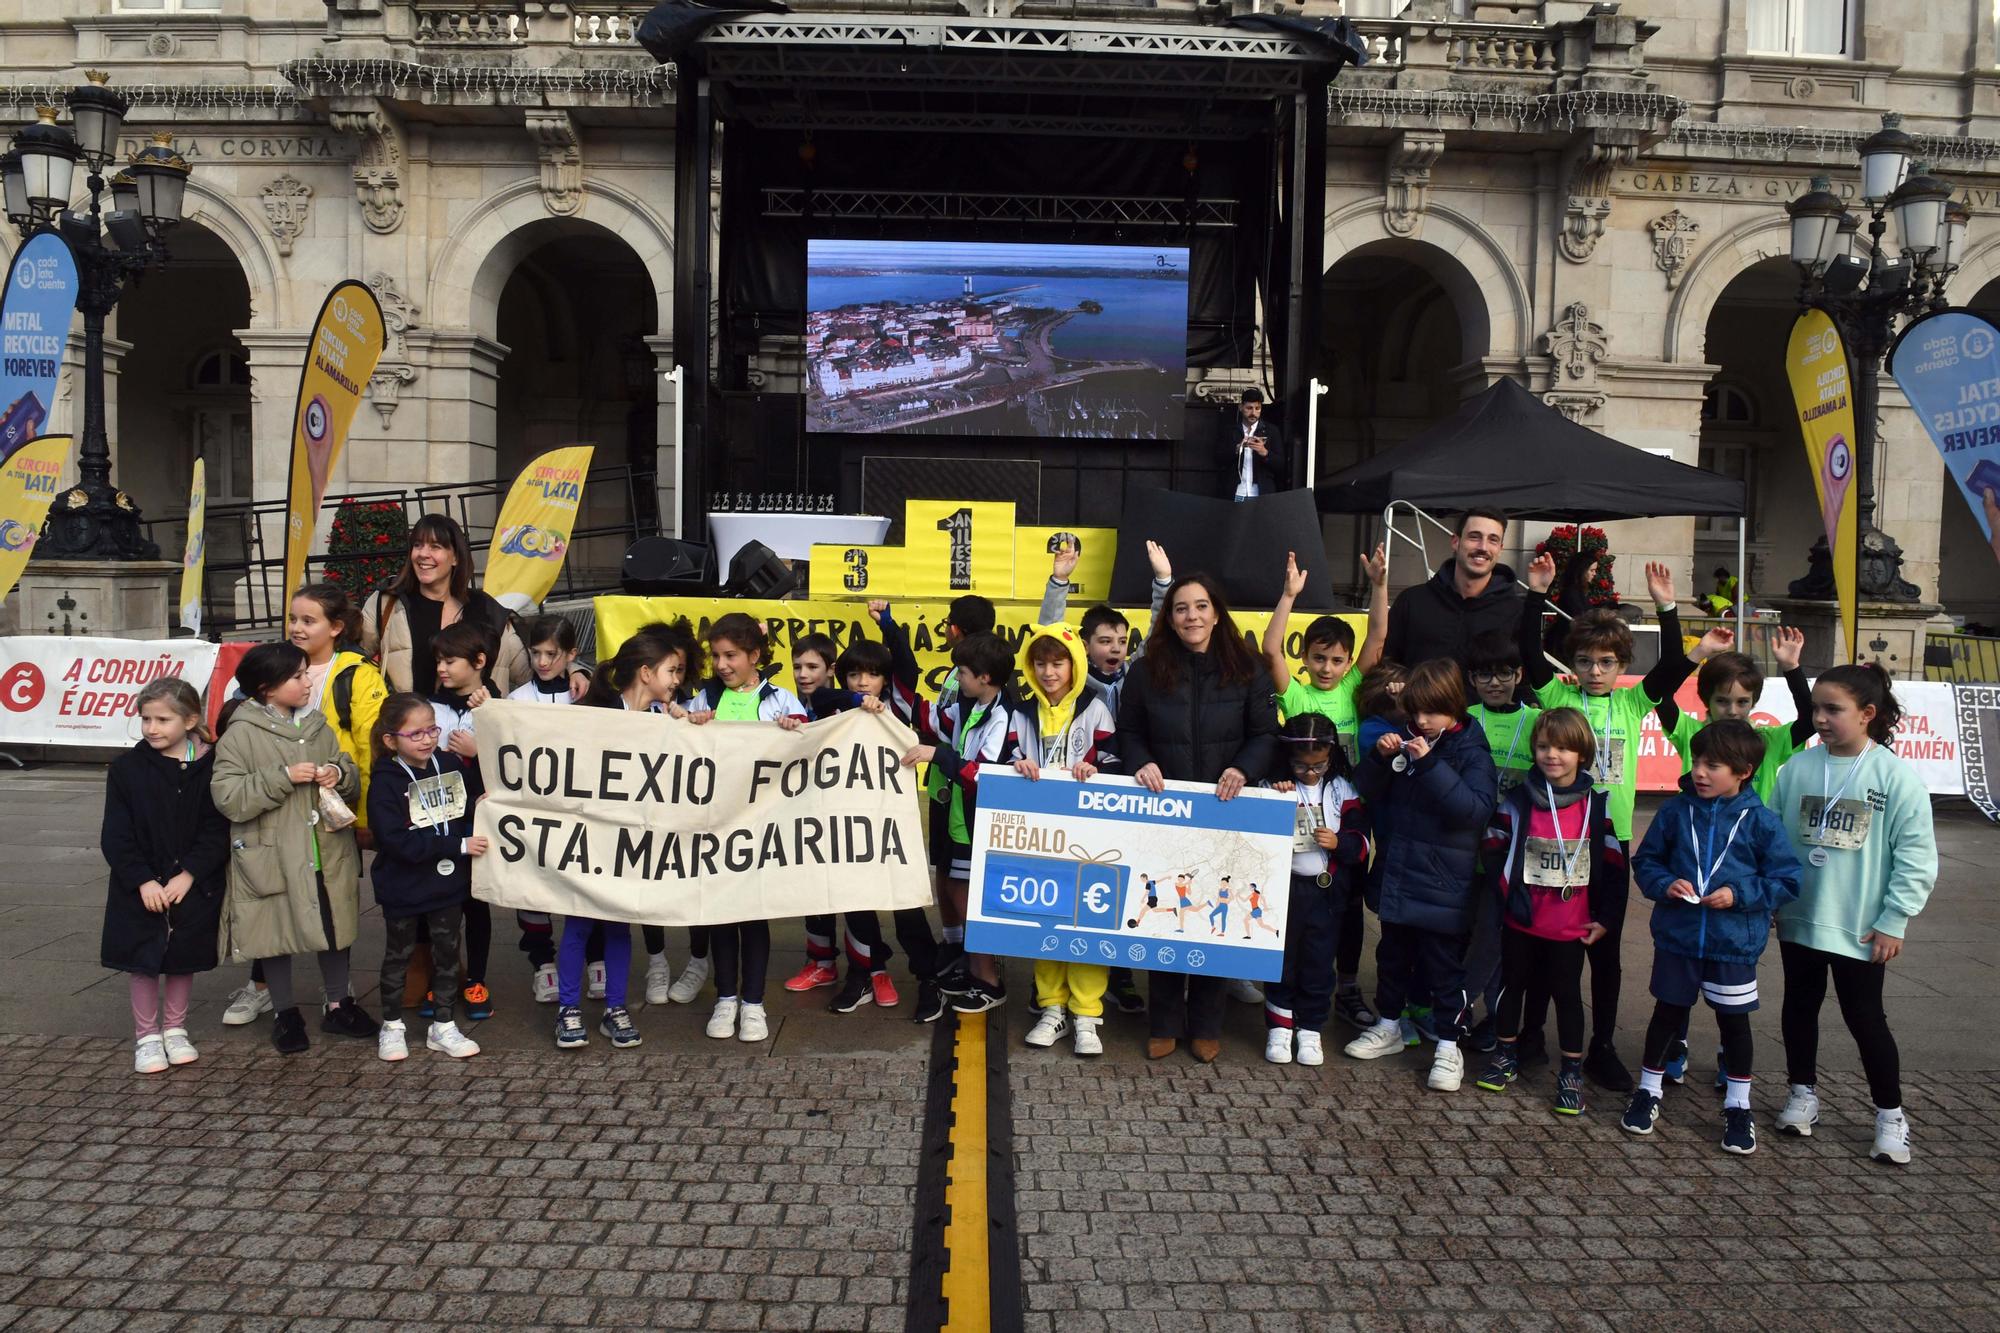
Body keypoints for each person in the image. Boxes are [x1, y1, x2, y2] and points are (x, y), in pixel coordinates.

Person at [1515, 558, 1730, 1091]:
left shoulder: (1635, 703)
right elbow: (1525, 652)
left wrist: (1667, 606)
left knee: (1604, 955)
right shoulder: (1559, 696)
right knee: (1545, 947)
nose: (1593, 670)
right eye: (1584, 660)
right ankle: (1531, 1037)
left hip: (1609, 844)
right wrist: (1536, 593)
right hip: (1554, 837)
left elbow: (1673, 669)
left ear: (1621, 666)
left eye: (1605, 662)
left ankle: (1602, 1047)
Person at [1772, 664, 1939, 1165]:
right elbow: (1777, 841)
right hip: (1800, 919)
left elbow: (1916, 857)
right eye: (1815, 708)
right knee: (1799, 1007)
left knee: (1865, 1018)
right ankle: (1803, 1093)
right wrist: (1772, 900)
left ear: (1867, 715)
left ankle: (1890, 1116)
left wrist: (1895, 918)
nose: (1819, 718)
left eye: (1832, 709)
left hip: (1862, 927)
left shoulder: (1894, 777)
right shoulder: (1797, 770)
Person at [1117, 572, 1279, 1063]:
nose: (1192, 616)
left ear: (1216, 612)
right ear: (1170, 616)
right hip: (1165, 811)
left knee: (1215, 915)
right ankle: (1164, 1022)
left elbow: (1266, 734)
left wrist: (1242, 768)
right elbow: (1129, 731)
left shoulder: (1248, 668)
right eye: (1181, 608)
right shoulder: (1146, 671)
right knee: (1168, 911)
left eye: (1201, 606)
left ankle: (1207, 1024)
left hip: (1226, 809)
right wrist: (1139, 760)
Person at [1626, 720, 1801, 1154]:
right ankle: (1648, 1090)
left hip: (1732, 944)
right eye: (1697, 762)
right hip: (1678, 939)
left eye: (1713, 765)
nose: (1700, 772)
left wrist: (1739, 894)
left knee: (1734, 1024)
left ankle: (1739, 1105)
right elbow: (1646, 861)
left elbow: (1786, 879)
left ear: (1744, 771)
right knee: (1666, 1015)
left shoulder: (1761, 821)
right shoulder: (1674, 811)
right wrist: (1664, 882)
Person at [220, 584, 389, 1027]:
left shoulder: (325, 711)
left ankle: (338, 1002)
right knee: (274, 924)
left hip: (325, 838)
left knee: (333, 919)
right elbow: (228, 794)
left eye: (307, 620)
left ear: (335, 628)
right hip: (272, 844)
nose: (297, 627)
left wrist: (342, 778)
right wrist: (283, 777)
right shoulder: (242, 728)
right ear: (268, 687)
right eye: (293, 618)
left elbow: (355, 758)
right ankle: (282, 1008)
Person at [1650, 625, 1810, 1085]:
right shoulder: (1694, 737)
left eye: (1743, 702)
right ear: (1706, 702)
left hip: (1740, 880)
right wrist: (1692, 650)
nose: (1733, 711)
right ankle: (1673, 1044)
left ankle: (1728, 1051)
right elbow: (1658, 693)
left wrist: (1792, 669)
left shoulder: (1770, 741)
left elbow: (1806, 716)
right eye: (1723, 701)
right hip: (1691, 871)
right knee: (1677, 980)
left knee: (1732, 988)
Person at [1343, 659, 1497, 1092]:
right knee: (1391, 957)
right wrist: (1379, 757)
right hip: (1398, 871)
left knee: (1443, 970)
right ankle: (1389, 1025)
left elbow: (1472, 812)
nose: (1421, 721)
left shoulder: (1471, 751)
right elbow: (1366, 788)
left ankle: (1449, 1048)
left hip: (1444, 884)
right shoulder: (1410, 737)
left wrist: (1429, 765)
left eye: (1431, 712)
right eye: (1415, 712)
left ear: (1454, 707)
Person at [1037, 537, 1174, 1012]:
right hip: (1079, 801)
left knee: (1128, 881)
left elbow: (1160, 631)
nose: (1115, 648)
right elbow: (1051, 630)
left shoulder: (1136, 674)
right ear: (1085, 644)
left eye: (1121, 641)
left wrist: (1163, 583)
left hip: (1128, 798)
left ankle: (1119, 973)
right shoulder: (1078, 684)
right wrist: (1059, 579)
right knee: (1081, 885)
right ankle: (1066, 983)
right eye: (1104, 641)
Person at [559, 621, 704, 1050]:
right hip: (590, 837)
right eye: (672, 671)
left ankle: (615, 1008)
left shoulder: (668, 720)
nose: (678, 680)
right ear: (646, 673)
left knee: (620, 925)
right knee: (579, 923)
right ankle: (568, 1010)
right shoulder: (596, 715)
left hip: (633, 843)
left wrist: (689, 727)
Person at [1474, 708, 1623, 1115]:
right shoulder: (1521, 798)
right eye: (1543, 746)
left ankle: (1571, 1070)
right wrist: (1506, 888)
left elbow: (1612, 864)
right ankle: (1505, 1056)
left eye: (1562, 747)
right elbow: (1494, 840)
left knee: (1568, 996)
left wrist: (1605, 918)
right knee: (1512, 987)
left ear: (1582, 753)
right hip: (1522, 918)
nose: (1551, 755)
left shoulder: (1595, 805)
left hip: (1570, 924)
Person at [100, 678, 230, 1074]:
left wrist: (189, 874)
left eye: (162, 719)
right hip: (140, 883)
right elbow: (116, 833)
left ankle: (174, 1028)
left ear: (190, 720)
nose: (152, 728)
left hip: (190, 883)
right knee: (142, 959)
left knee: (181, 957)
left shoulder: (212, 766)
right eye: (146, 719)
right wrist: (142, 879)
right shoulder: (127, 769)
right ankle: (147, 1036)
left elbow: (217, 829)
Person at [688, 613, 807, 1042]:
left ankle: (753, 1003)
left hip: (762, 828)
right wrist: (689, 725)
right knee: (721, 914)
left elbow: (811, 753)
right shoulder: (703, 698)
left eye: (731, 655)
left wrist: (796, 731)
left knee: (753, 915)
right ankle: (725, 999)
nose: (721, 664)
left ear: (754, 655)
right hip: (715, 824)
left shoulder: (781, 700)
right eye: (716, 656)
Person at [1010, 623, 1120, 1059]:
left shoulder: (1096, 706)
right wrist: (1018, 765)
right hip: (1040, 834)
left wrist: (1097, 769)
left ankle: (1088, 1017)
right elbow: (1006, 758)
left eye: (1058, 663)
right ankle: (1051, 1009)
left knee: (1087, 921)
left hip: (1091, 836)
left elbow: (1115, 760)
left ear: (1074, 665)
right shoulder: (1020, 710)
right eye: (1040, 663)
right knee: (1045, 919)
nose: (1049, 672)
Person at [903, 631, 1019, 1016]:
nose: (957, 676)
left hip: (978, 821)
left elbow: (981, 772)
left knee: (968, 897)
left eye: (963, 671)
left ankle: (988, 980)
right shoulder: (970, 706)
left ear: (984, 676)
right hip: (958, 818)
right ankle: (972, 967)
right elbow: (929, 717)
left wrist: (937, 756)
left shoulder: (1003, 715)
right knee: (953, 887)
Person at [366, 692, 486, 1063]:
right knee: (398, 954)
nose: (427, 739)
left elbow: (464, 812)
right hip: (403, 885)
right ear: (391, 740)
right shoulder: (385, 781)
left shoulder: (449, 764)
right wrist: (457, 846)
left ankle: (444, 1025)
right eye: (415, 734)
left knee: (448, 953)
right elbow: (395, 840)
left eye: (432, 729)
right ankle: (391, 1025)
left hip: (446, 884)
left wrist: (478, 815)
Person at [1262, 714, 1371, 1068]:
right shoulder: (1273, 786)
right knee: (1282, 961)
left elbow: (1362, 842)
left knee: (1320, 962)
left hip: (1327, 892)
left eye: (1318, 765)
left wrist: (1339, 843)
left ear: (1332, 756)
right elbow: (1253, 839)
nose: (1310, 773)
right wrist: (1274, 802)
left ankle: (1310, 1029)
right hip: (1286, 890)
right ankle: (1279, 1027)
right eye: (1301, 765)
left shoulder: (1343, 789)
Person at [361, 512, 562, 697]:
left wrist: (573, 669)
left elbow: (533, 669)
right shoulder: (387, 602)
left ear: (455, 557)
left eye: (435, 547)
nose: (423, 554)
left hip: (473, 733)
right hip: (409, 733)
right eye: (418, 545)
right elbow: (352, 659)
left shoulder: (486, 610)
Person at [505, 613, 577, 1003]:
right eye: (536, 653)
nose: (543, 662)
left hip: (577, 810)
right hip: (533, 810)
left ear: (571, 655)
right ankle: (543, 964)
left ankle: (595, 956)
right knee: (532, 887)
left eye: (552, 654)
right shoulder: (517, 700)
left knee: (582, 884)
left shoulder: (586, 695)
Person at [1261, 545, 1389, 761]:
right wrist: (1288, 595)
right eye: (1319, 658)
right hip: (1307, 792)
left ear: (1349, 663)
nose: (1327, 668)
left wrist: (1379, 586)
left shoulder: (1352, 688)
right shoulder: (1297, 698)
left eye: (1337, 660)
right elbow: (1271, 650)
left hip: (1351, 793)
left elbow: (1377, 635)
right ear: (1304, 657)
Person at [1381, 508, 1521, 672]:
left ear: (1500, 549)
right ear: (1455, 542)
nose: (1483, 547)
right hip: (1416, 698)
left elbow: (1523, 679)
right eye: (1474, 537)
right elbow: (1387, 665)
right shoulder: (1411, 601)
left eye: (1493, 540)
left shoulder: (1515, 610)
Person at [1222, 388, 1287, 501]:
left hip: (1262, 493)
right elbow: (1218, 459)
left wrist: (1265, 453)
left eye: (1257, 408)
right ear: (1241, 407)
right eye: (1249, 408)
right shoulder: (1230, 430)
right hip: (1236, 492)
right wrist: (1236, 450)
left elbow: (1281, 465)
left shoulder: (1271, 431)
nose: (1254, 413)